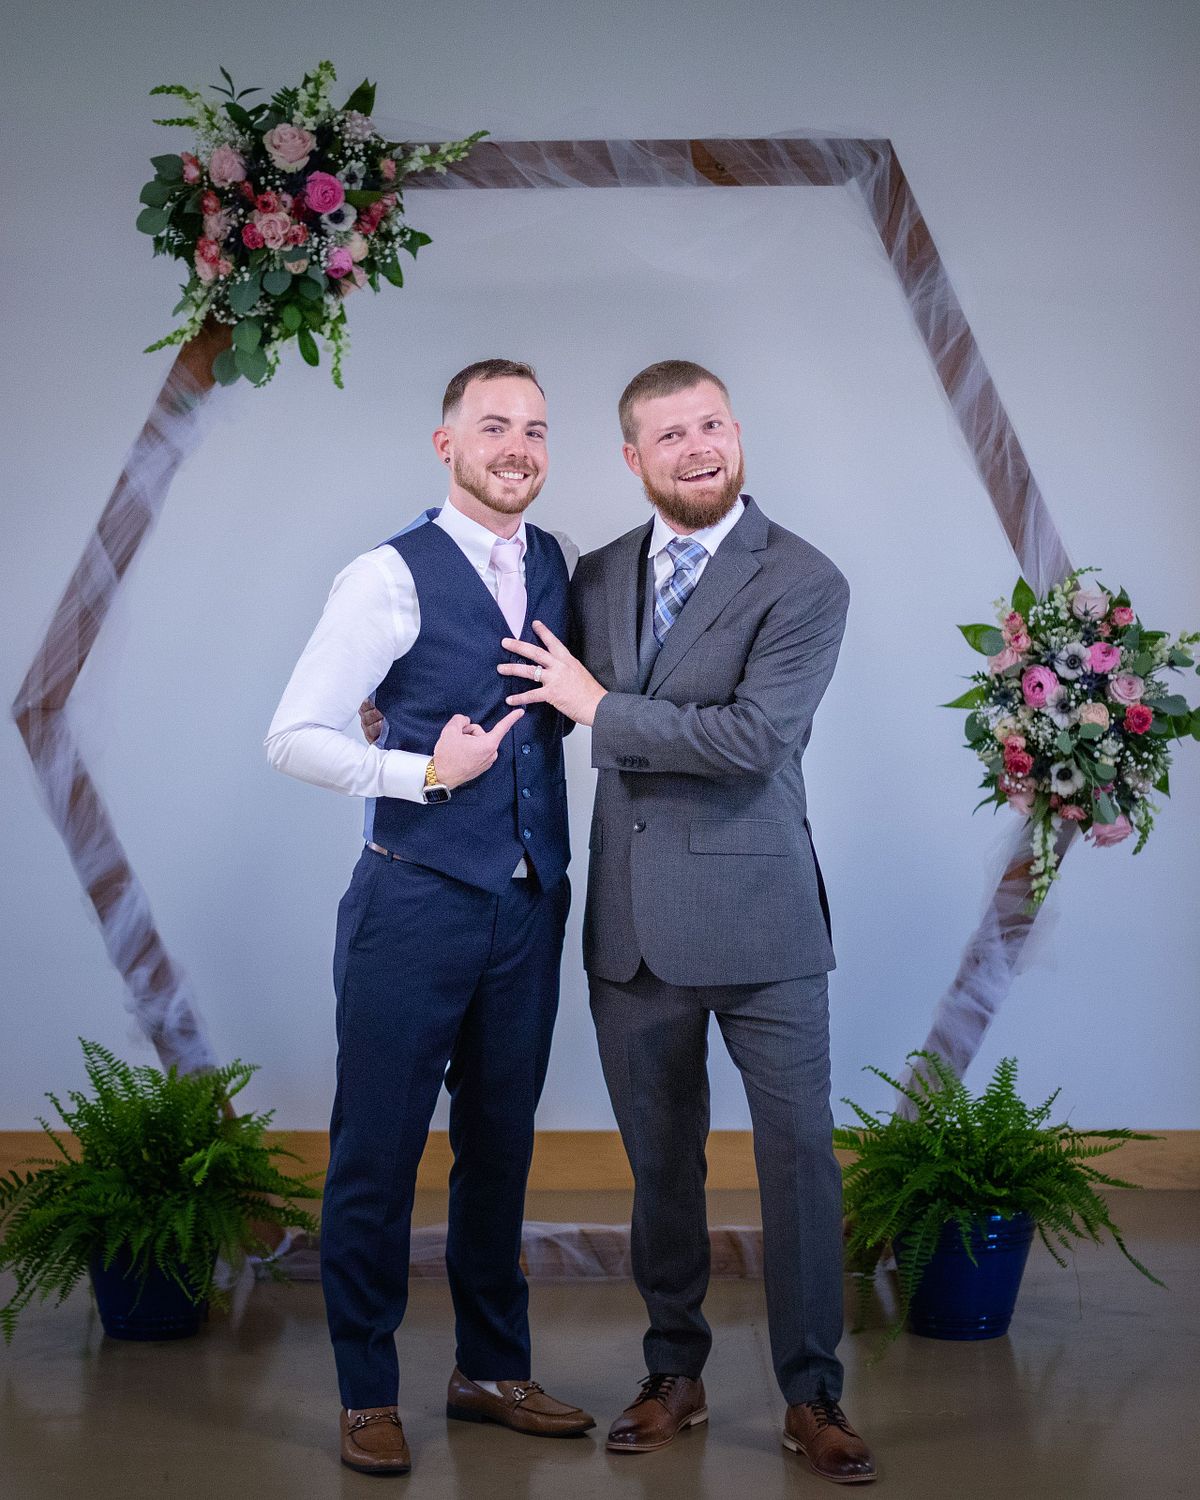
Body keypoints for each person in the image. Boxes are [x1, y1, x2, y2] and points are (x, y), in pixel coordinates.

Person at [495, 360, 877, 1485]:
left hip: (763, 927)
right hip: (631, 928)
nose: (698, 447)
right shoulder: (598, 572)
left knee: (798, 1161)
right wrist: (396, 706)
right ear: (633, 459)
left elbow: (755, 741)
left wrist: (603, 709)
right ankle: (676, 1372)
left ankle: (813, 1394)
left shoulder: (806, 580)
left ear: (736, 433)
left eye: (711, 424)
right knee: (659, 1166)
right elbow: (529, 693)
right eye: (671, 435)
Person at [266, 359, 593, 1476]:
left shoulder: (553, 562)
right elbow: (295, 735)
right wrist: (421, 771)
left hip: (528, 908)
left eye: (537, 429)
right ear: (445, 443)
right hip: (411, 901)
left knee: (499, 1151)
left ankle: (490, 1368)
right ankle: (368, 1390)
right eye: (493, 426)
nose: (518, 446)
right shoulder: (385, 576)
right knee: (378, 1152)